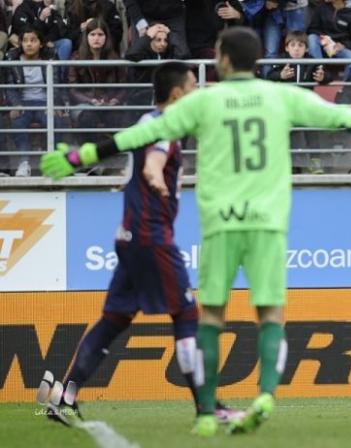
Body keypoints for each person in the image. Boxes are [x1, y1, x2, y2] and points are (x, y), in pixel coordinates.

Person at [40, 26, 351, 436]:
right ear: (257, 59)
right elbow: (347, 116)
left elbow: (142, 136)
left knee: (190, 316)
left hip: (206, 224)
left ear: (221, 58)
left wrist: (83, 154)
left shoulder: (203, 103)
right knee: (249, 312)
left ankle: (122, 400)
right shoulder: (279, 95)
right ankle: (245, 398)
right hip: (253, 223)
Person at [40, 61, 243, 426]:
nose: (199, 92)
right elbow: (154, 161)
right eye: (194, 85)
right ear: (178, 94)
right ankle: (208, 407)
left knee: (113, 319)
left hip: (130, 236)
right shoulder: (165, 126)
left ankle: (63, 397)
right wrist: (155, 178)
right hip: (151, 236)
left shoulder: (146, 122)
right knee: (186, 315)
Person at [267, 30, 331, 173]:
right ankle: (286, 164)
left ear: (306, 48)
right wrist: (280, 75)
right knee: (283, 134)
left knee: (311, 132)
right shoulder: (281, 61)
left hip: (305, 107)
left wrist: (323, 77)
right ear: (286, 48)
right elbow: (269, 76)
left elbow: (327, 75)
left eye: (300, 46)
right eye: (293, 45)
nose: (296, 49)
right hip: (285, 107)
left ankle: (316, 162)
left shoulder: (312, 61)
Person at [5, 26, 64, 177]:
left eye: (33, 40)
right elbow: (10, 87)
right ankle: (24, 163)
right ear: (20, 44)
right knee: (17, 123)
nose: (29, 44)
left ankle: (53, 163)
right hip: (23, 103)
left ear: (41, 44)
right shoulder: (12, 59)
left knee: (56, 121)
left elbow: (57, 84)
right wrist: (16, 105)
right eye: (25, 41)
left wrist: (54, 104)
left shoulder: (50, 58)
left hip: (45, 102)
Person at [68, 18, 127, 144]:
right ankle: (88, 156)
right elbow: (72, 89)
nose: (96, 38)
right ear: (86, 36)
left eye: (100, 34)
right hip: (84, 104)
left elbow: (124, 86)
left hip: (110, 103)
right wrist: (91, 101)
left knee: (119, 117)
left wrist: (115, 100)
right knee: (88, 118)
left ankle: (114, 156)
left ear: (106, 37)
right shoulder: (76, 57)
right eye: (92, 34)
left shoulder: (115, 58)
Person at [307, 0, 351, 80]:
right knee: (312, 38)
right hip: (322, 44)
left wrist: (343, 45)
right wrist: (323, 37)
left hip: (339, 48)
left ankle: (345, 88)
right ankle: (319, 72)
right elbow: (312, 29)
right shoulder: (321, 8)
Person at [124, 0, 190, 59]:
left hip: (174, 14)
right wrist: (147, 36)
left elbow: (183, 55)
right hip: (142, 13)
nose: (163, 44)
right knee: (137, 55)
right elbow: (132, 55)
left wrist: (170, 34)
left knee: (180, 52)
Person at [262, 0, 307, 78]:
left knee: (298, 51)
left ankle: (298, 87)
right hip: (272, 10)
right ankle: (266, 87)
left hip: (295, 7)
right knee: (270, 53)